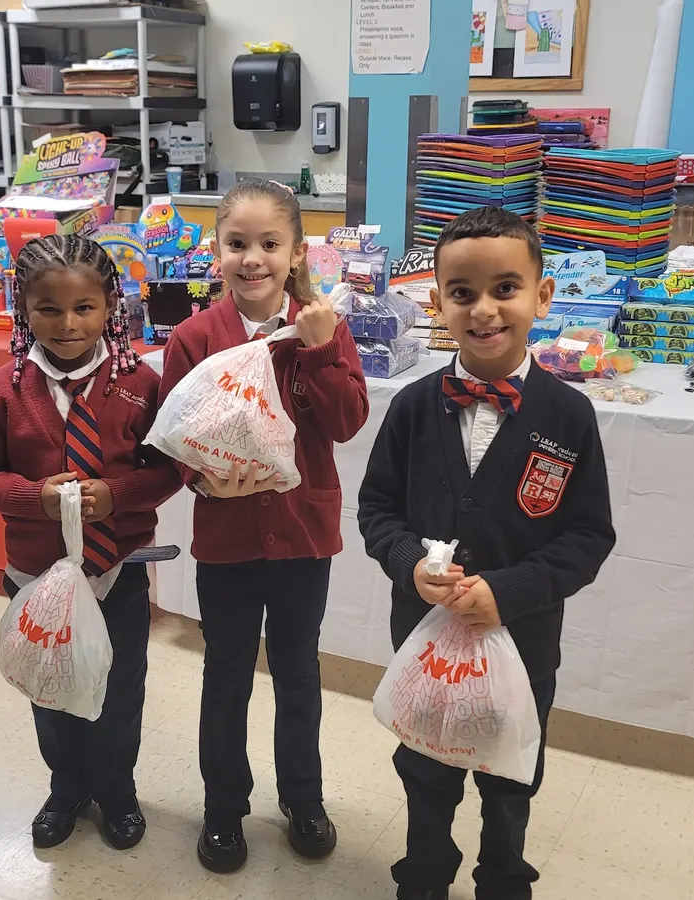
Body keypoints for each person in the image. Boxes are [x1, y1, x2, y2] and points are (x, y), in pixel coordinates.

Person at [357, 205, 616, 900]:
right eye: (463, 293)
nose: (485, 310)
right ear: (436, 301)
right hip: (424, 641)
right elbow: (376, 510)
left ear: (541, 296)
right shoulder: (412, 407)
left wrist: (511, 591)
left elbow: (589, 536)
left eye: (506, 288)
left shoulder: (568, 415)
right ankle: (424, 874)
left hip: (523, 643)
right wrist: (410, 561)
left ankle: (504, 878)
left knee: (510, 776)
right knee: (425, 769)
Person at [158, 179, 370, 873]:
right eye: (237, 244)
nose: (253, 259)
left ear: (296, 252)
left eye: (269, 245)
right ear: (216, 250)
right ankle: (224, 810)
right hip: (227, 539)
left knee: (298, 672)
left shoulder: (321, 326)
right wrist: (202, 479)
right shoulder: (194, 338)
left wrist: (318, 350)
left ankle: (302, 799)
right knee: (225, 675)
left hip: (303, 536)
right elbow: (173, 437)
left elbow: (345, 423)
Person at [0, 234, 180, 851]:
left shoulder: (140, 382)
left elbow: (168, 469)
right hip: (35, 571)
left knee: (120, 685)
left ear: (110, 305)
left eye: (84, 307)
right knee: (50, 681)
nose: (66, 323)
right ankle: (66, 786)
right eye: (48, 309)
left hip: (117, 569)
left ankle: (116, 788)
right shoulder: (1, 390)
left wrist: (118, 494)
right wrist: (32, 495)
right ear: (22, 307)